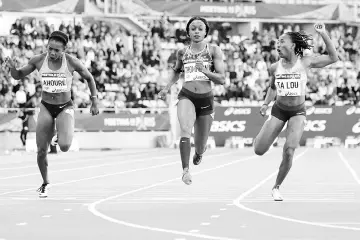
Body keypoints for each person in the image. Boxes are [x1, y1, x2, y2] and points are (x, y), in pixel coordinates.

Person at [4, 30, 99, 197]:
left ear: (64, 49)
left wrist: (94, 101)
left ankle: (59, 134)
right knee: (41, 151)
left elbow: (90, 78)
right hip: (46, 107)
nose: (53, 53)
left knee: (64, 146)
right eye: (50, 49)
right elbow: (18, 75)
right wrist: (12, 67)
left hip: (65, 107)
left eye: (57, 50)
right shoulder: (39, 60)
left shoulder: (71, 62)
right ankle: (45, 182)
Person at [253, 23, 338, 201]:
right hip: (278, 110)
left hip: (298, 112)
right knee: (259, 150)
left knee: (290, 150)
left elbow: (333, 57)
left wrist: (323, 33)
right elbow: (272, 87)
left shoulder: (306, 62)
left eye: (282, 41)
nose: (277, 45)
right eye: (276, 42)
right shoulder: (275, 67)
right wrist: (265, 103)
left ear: (292, 45)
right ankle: (264, 135)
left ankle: (276, 187)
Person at [158, 17, 225, 185]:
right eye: (193, 28)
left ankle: (199, 153)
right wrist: (167, 87)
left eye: (200, 29)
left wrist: (205, 71)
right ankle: (185, 170)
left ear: (205, 32)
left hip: (206, 99)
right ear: (188, 32)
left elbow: (222, 79)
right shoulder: (182, 52)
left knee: (201, 145)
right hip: (186, 95)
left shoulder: (214, 50)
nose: (196, 31)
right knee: (185, 130)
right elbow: (176, 71)